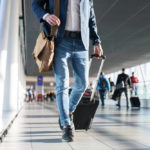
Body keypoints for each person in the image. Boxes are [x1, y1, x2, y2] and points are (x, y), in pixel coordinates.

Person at [32, 0, 103, 142]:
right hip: (60, 41)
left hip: (81, 43)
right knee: (62, 84)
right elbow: (36, 4)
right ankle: (66, 125)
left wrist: (96, 41)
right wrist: (46, 15)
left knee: (82, 84)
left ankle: (68, 110)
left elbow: (91, 17)